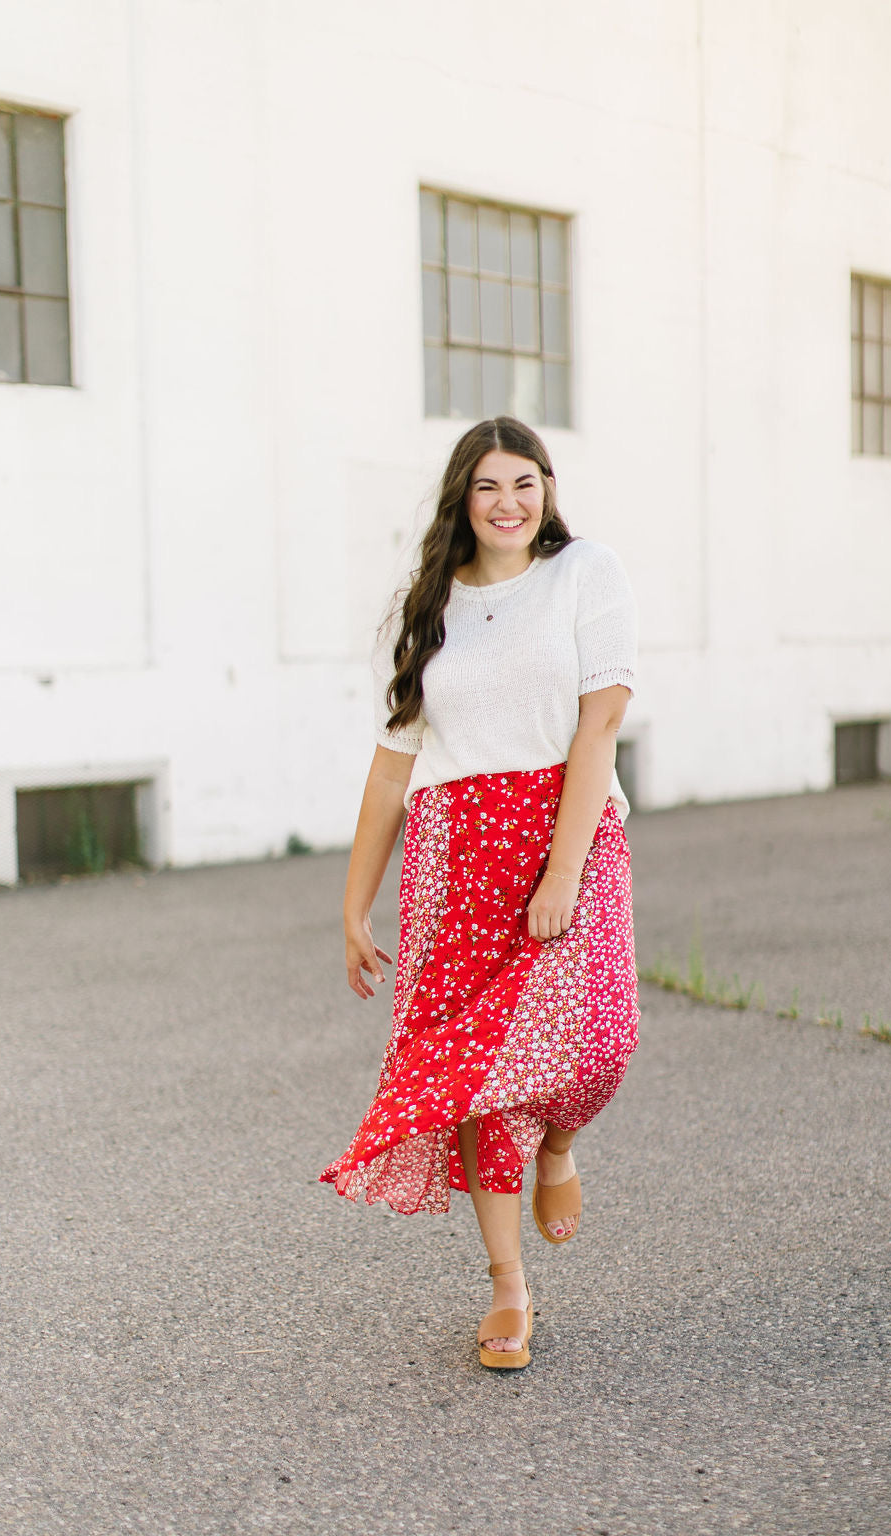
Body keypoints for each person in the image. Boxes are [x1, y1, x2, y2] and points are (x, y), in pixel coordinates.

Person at [321, 416, 639, 1370]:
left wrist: (562, 870)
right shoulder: (431, 609)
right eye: (489, 487)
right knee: (479, 1081)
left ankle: (558, 1146)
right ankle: (507, 1287)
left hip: (568, 830)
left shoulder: (586, 574)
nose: (509, 503)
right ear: (463, 499)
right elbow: (390, 773)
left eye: (525, 483)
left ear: (547, 488)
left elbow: (599, 730)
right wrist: (352, 905)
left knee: (602, 1040)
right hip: (456, 856)